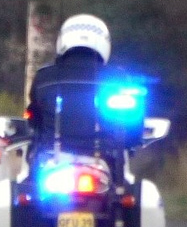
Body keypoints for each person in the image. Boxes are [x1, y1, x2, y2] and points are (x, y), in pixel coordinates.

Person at [25, 14, 126, 146]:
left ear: (63, 39)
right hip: (105, 158)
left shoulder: (44, 77)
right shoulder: (117, 79)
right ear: (104, 42)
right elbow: (131, 128)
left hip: (50, 158)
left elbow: (33, 118)